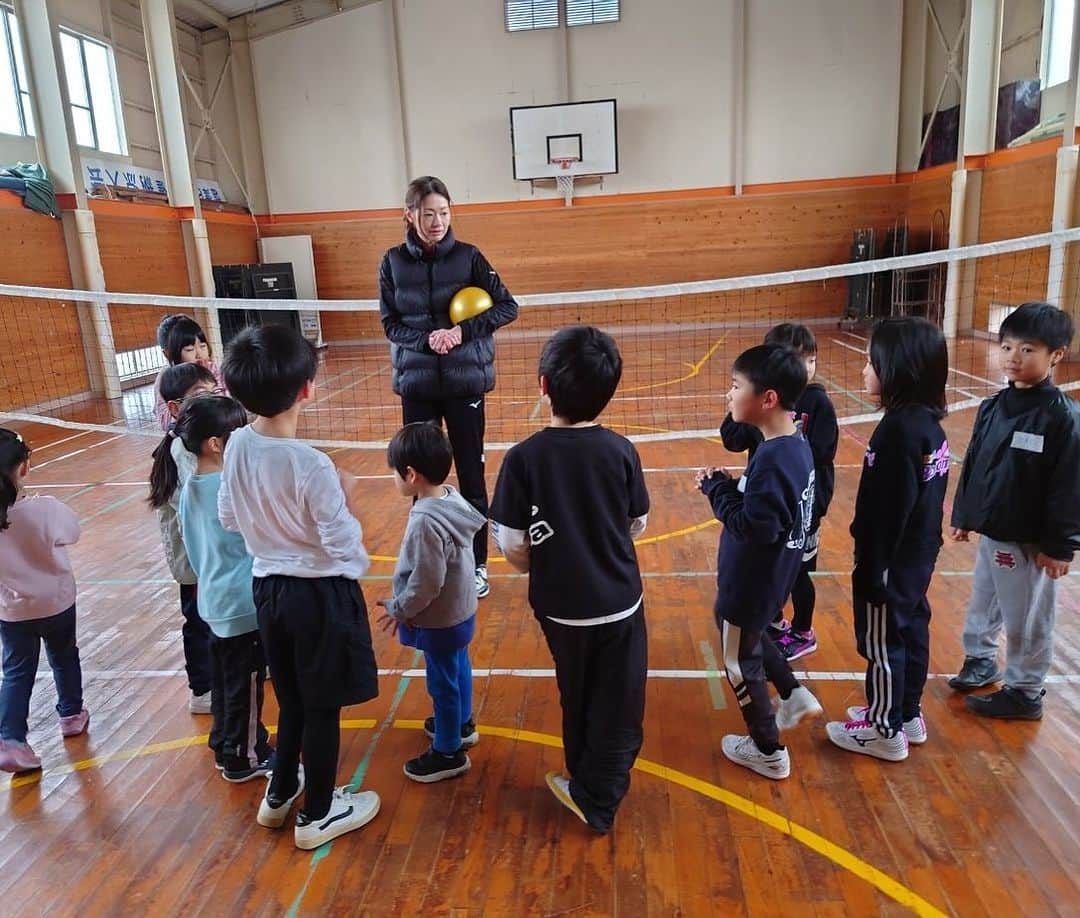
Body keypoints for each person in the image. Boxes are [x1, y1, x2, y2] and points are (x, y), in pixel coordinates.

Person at [219, 324, 380, 850]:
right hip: (319, 599)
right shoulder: (312, 465)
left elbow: (228, 517)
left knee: (290, 700)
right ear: (308, 388)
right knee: (323, 707)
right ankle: (318, 814)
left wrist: (275, 524)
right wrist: (345, 502)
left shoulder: (238, 444)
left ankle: (280, 793)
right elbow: (345, 550)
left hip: (268, 593)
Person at [491, 325, 648, 834]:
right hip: (620, 602)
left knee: (575, 688)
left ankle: (587, 782)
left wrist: (550, 562)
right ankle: (595, 794)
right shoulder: (621, 451)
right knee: (618, 701)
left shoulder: (523, 458)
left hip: (559, 604)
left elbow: (512, 542)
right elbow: (636, 522)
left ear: (543, 385)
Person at [379, 175, 519, 600]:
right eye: (428, 213)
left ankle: (476, 565)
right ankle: (428, 562)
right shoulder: (391, 262)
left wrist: (459, 334)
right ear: (409, 215)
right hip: (417, 384)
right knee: (420, 477)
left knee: (472, 478)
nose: (437, 221)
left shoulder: (470, 257)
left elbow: (507, 306)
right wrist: (427, 340)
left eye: (443, 212)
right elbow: (390, 323)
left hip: (464, 383)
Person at [948, 302, 1080, 720]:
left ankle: (1024, 690)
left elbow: (1070, 487)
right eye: (1007, 347)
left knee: (1028, 614)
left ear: (1056, 355)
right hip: (995, 529)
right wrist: (965, 515)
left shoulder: (1062, 418)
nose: (1013, 358)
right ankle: (980, 658)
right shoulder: (993, 406)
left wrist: (1060, 546)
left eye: (1027, 350)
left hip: (1031, 538)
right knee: (984, 600)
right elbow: (976, 463)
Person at [826, 317, 949, 762]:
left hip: (891, 560)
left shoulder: (898, 432)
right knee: (911, 628)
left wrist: (874, 568)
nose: (863, 370)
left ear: (899, 369)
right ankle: (905, 712)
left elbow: (889, 510)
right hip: (918, 555)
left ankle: (884, 729)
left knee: (882, 642)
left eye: (871, 362)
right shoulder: (927, 424)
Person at [698, 344, 822, 781]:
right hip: (772, 578)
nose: (729, 396)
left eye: (735, 387)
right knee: (750, 637)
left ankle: (767, 747)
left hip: (749, 582)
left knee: (738, 660)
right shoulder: (793, 445)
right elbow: (770, 512)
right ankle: (792, 692)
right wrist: (731, 488)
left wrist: (716, 490)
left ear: (767, 399)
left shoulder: (773, 458)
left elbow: (755, 528)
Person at [718, 324, 838, 659]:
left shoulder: (815, 403)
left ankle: (803, 630)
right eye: (797, 360)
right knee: (769, 566)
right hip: (769, 499)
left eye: (811, 360)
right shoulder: (759, 407)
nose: (805, 368)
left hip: (802, 507)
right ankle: (773, 620)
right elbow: (732, 439)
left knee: (798, 570)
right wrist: (737, 406)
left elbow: (820, 455)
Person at [172, 395, 275, 781]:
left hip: (213, 600)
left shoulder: (189, 488)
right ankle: (244, 757)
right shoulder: (227, 489)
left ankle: (225, 743)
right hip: (241, 603)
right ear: (215, 443)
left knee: (226, 681)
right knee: (246, 686)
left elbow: (194, 549)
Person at [376, 422, 485, 783]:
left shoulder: (425, 520)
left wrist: (401, 608)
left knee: (442, 681)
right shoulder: (451, 498)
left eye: (394, 471)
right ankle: (462, 723)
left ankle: (449, 749)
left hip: (440, 618)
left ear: (410, 474)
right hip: (461, 610)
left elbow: (426, 582)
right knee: (458, 666)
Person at [0, 429, 88, 773]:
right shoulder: (46, 509)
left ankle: (11, 739)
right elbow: (74, 532)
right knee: (64, 656)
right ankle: (70, 714)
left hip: (12, 611)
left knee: (17, 672)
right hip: (57, 604)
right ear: (23, 468)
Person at [147, 362, 217, 714]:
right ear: (175, 408)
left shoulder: (195, 443)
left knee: (214, 616)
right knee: (199, 622)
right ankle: (202, 689)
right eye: (200, 396)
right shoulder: (179, 452)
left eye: (213, 393)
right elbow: (195, 501)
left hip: (209, 556)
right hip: (193, 560)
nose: (210, 401)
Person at [152, 314, 225, 432]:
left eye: (203, 346)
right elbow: (165, 421)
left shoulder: (213, 369)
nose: (199, 354)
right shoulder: (165, 379)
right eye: (190, 350)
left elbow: (227, 400)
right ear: (169, 354)